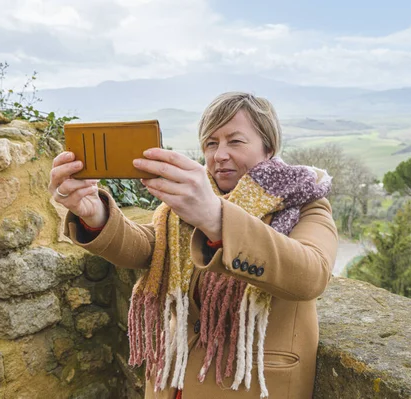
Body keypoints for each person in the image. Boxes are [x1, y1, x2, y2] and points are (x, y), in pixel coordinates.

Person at [48, 92, 338, 399]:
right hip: (176, 376)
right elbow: (150, 249)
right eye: (211, 143)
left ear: (268, 147)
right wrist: (96, 215)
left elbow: (311, 275)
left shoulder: (306, 203)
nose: (220, 154)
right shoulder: (190, 201)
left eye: (235, 141)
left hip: (249, 385)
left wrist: (217, 219)